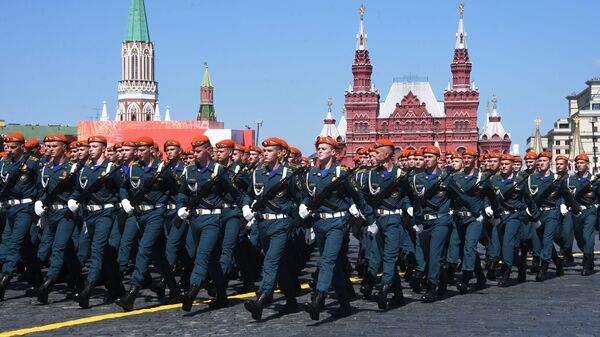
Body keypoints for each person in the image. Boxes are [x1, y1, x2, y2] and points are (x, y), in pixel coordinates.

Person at [242, 137, 300, 321]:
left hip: (281, 224)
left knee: (270, 261)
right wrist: (245, 206)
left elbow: (301, 198)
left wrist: (297, 217)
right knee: (279, 264)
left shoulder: (290, 174)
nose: (265, 154)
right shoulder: (258, 173)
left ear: (281, 153)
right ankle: (291, 300)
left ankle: (262, 298)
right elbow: (249, 193)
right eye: (264, 151)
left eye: (269, 151)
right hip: (263, 224)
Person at [69, 136, 125, 308]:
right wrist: (72, 199)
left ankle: (88, 289)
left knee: (97, 249)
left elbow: (122, 187)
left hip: (106, 213)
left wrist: (124, 201)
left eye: (94, 146)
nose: (91, 149)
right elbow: (78, 190)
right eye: (90, 146)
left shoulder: (111, 168)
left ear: (103, 149)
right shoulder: (84, 169)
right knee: (106, 254)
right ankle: (118, 289)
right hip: (89, 215)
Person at [0, 133, 42, 300]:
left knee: (15, 242)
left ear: (21, 147)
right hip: (9, 207)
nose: (9, 150)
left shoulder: (32, 163)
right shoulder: (4, 164)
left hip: (25, 207)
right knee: (24, 246)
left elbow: (41, 186)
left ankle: (5, 277)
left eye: (13, 147)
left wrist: (40, 204)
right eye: (7, 147)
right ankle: (37, 278)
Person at [566, 153, 597, 275]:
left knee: (587, 237)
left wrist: (596, 205)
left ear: (587, 165)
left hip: (589, 211)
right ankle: (588, 256)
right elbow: (567, 195)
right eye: (577, 163)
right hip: (576, 212)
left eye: (581, 163)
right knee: (579, 239)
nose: (579, 165)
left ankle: (587, 262)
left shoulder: (594, 180)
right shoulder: (570, 180)